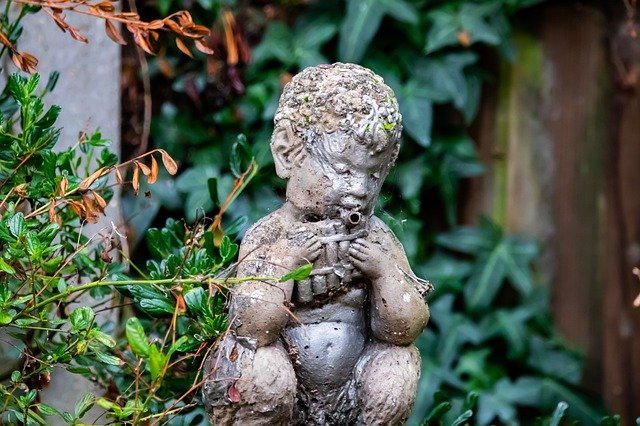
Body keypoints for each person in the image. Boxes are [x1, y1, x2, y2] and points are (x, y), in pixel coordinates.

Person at [203, 63, 431, 426]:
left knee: (397, 362)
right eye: (342, 170)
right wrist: (285, 262)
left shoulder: (377, 239)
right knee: (256, 364)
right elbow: (251, 325)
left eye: (372, 174)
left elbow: (405, 328)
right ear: (287, 154)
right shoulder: (270, 235)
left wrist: (385, 274)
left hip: (351, 391)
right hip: (283, 395)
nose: (359, 188)